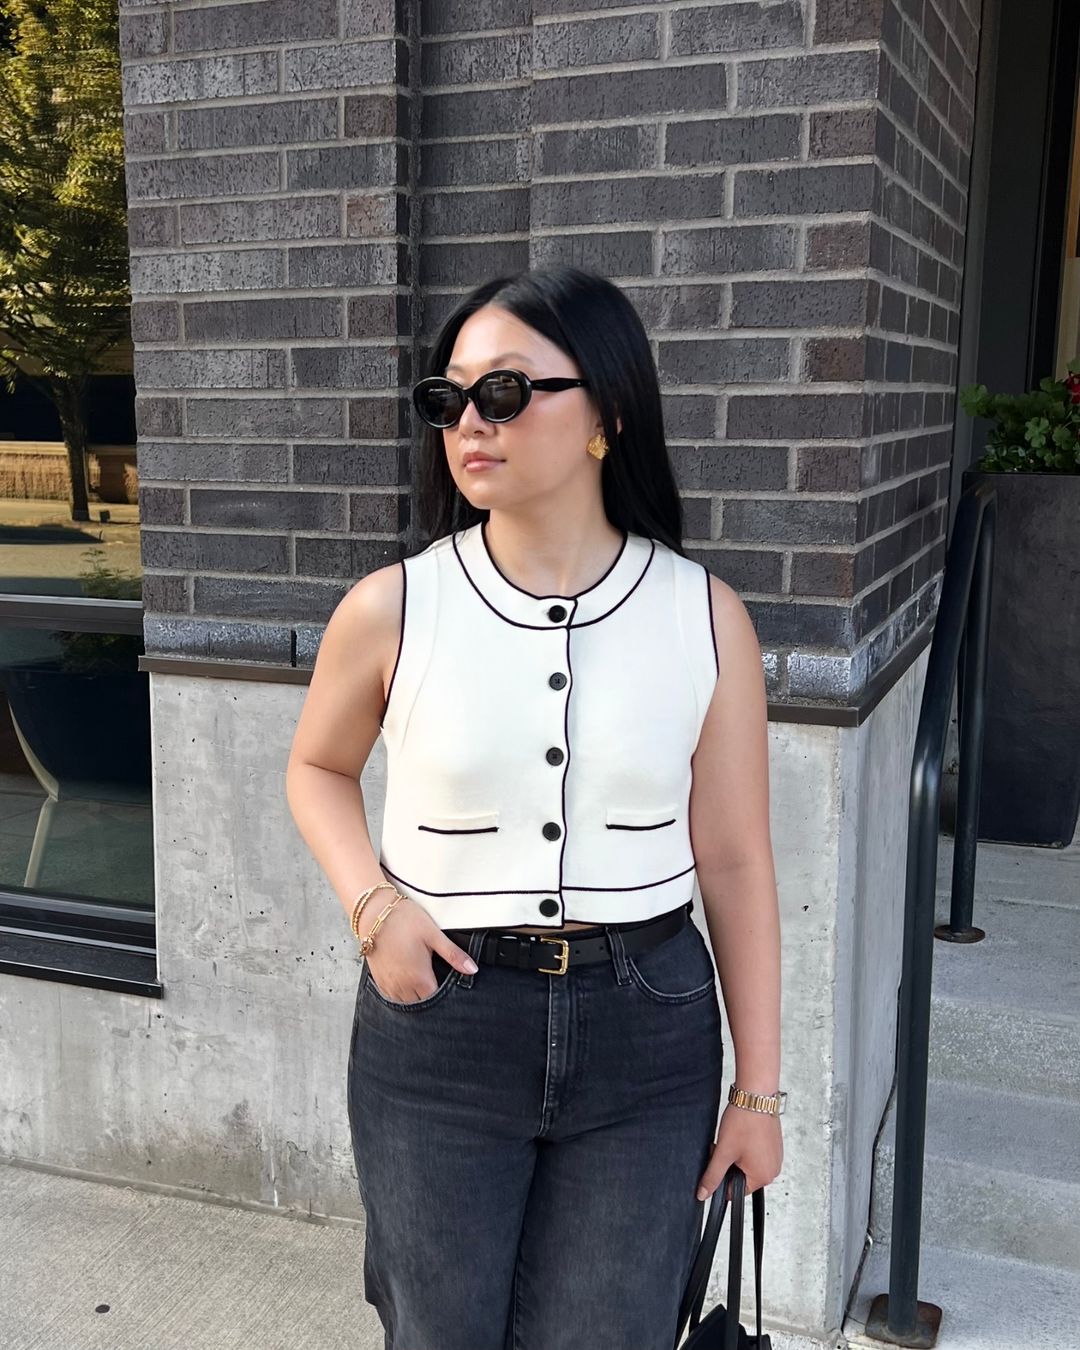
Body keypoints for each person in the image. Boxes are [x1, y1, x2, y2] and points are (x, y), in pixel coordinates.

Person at [285, 264, 784, 1350]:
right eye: (449, 397)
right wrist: (374, 909)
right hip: (444, 1022)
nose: (470, 422)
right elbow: (316, 768)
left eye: (505, 392)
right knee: (439, 1331)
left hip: (646, 1031)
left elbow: (737, 858)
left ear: (608, 410)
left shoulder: (704, 617)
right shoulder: (393, 607)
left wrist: (761, 1092)